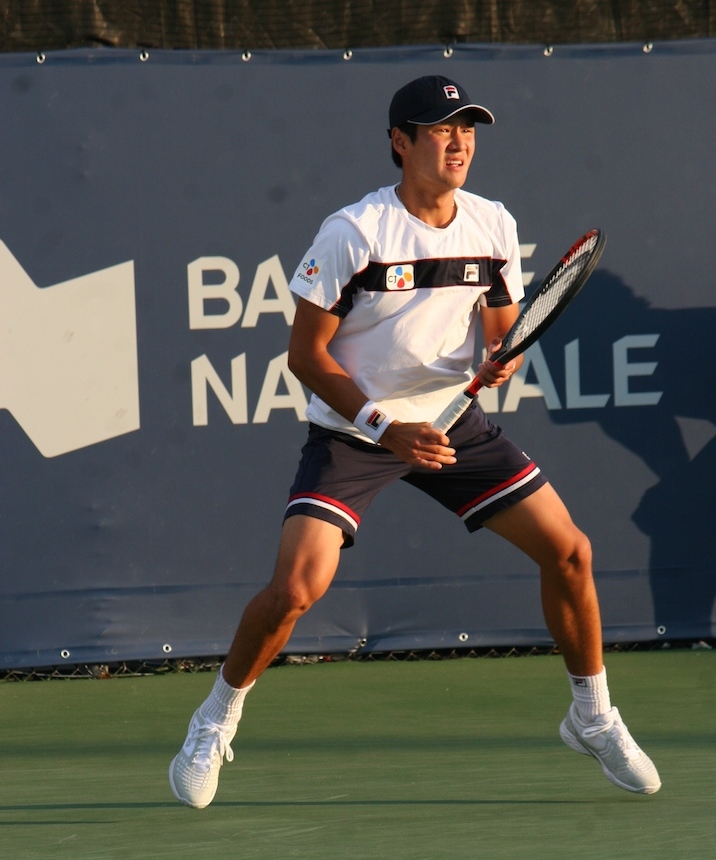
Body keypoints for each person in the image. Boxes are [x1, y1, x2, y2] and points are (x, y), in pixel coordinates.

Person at [168, 75, 661, 808]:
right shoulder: (354, 232)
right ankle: (214, 720)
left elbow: (502, 330)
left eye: (467, 129)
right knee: (297, 589)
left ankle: (591, 716)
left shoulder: (492, 223)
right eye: (440, 129)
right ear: (401, 142)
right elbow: (306, 356)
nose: (459, 142)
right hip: (355, 433)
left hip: (452, 425)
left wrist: (502, 357)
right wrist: (384, 428)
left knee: (570, 552)